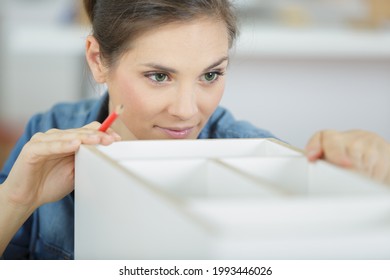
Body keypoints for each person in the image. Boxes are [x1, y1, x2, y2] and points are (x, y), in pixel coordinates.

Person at [0, 0, 389, 259]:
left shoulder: (251, 153)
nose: (188, 111)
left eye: (210, 75)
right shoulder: (49, 130)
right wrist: (16, 200)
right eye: (158, 76)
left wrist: (359, 185)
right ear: (98, 59)